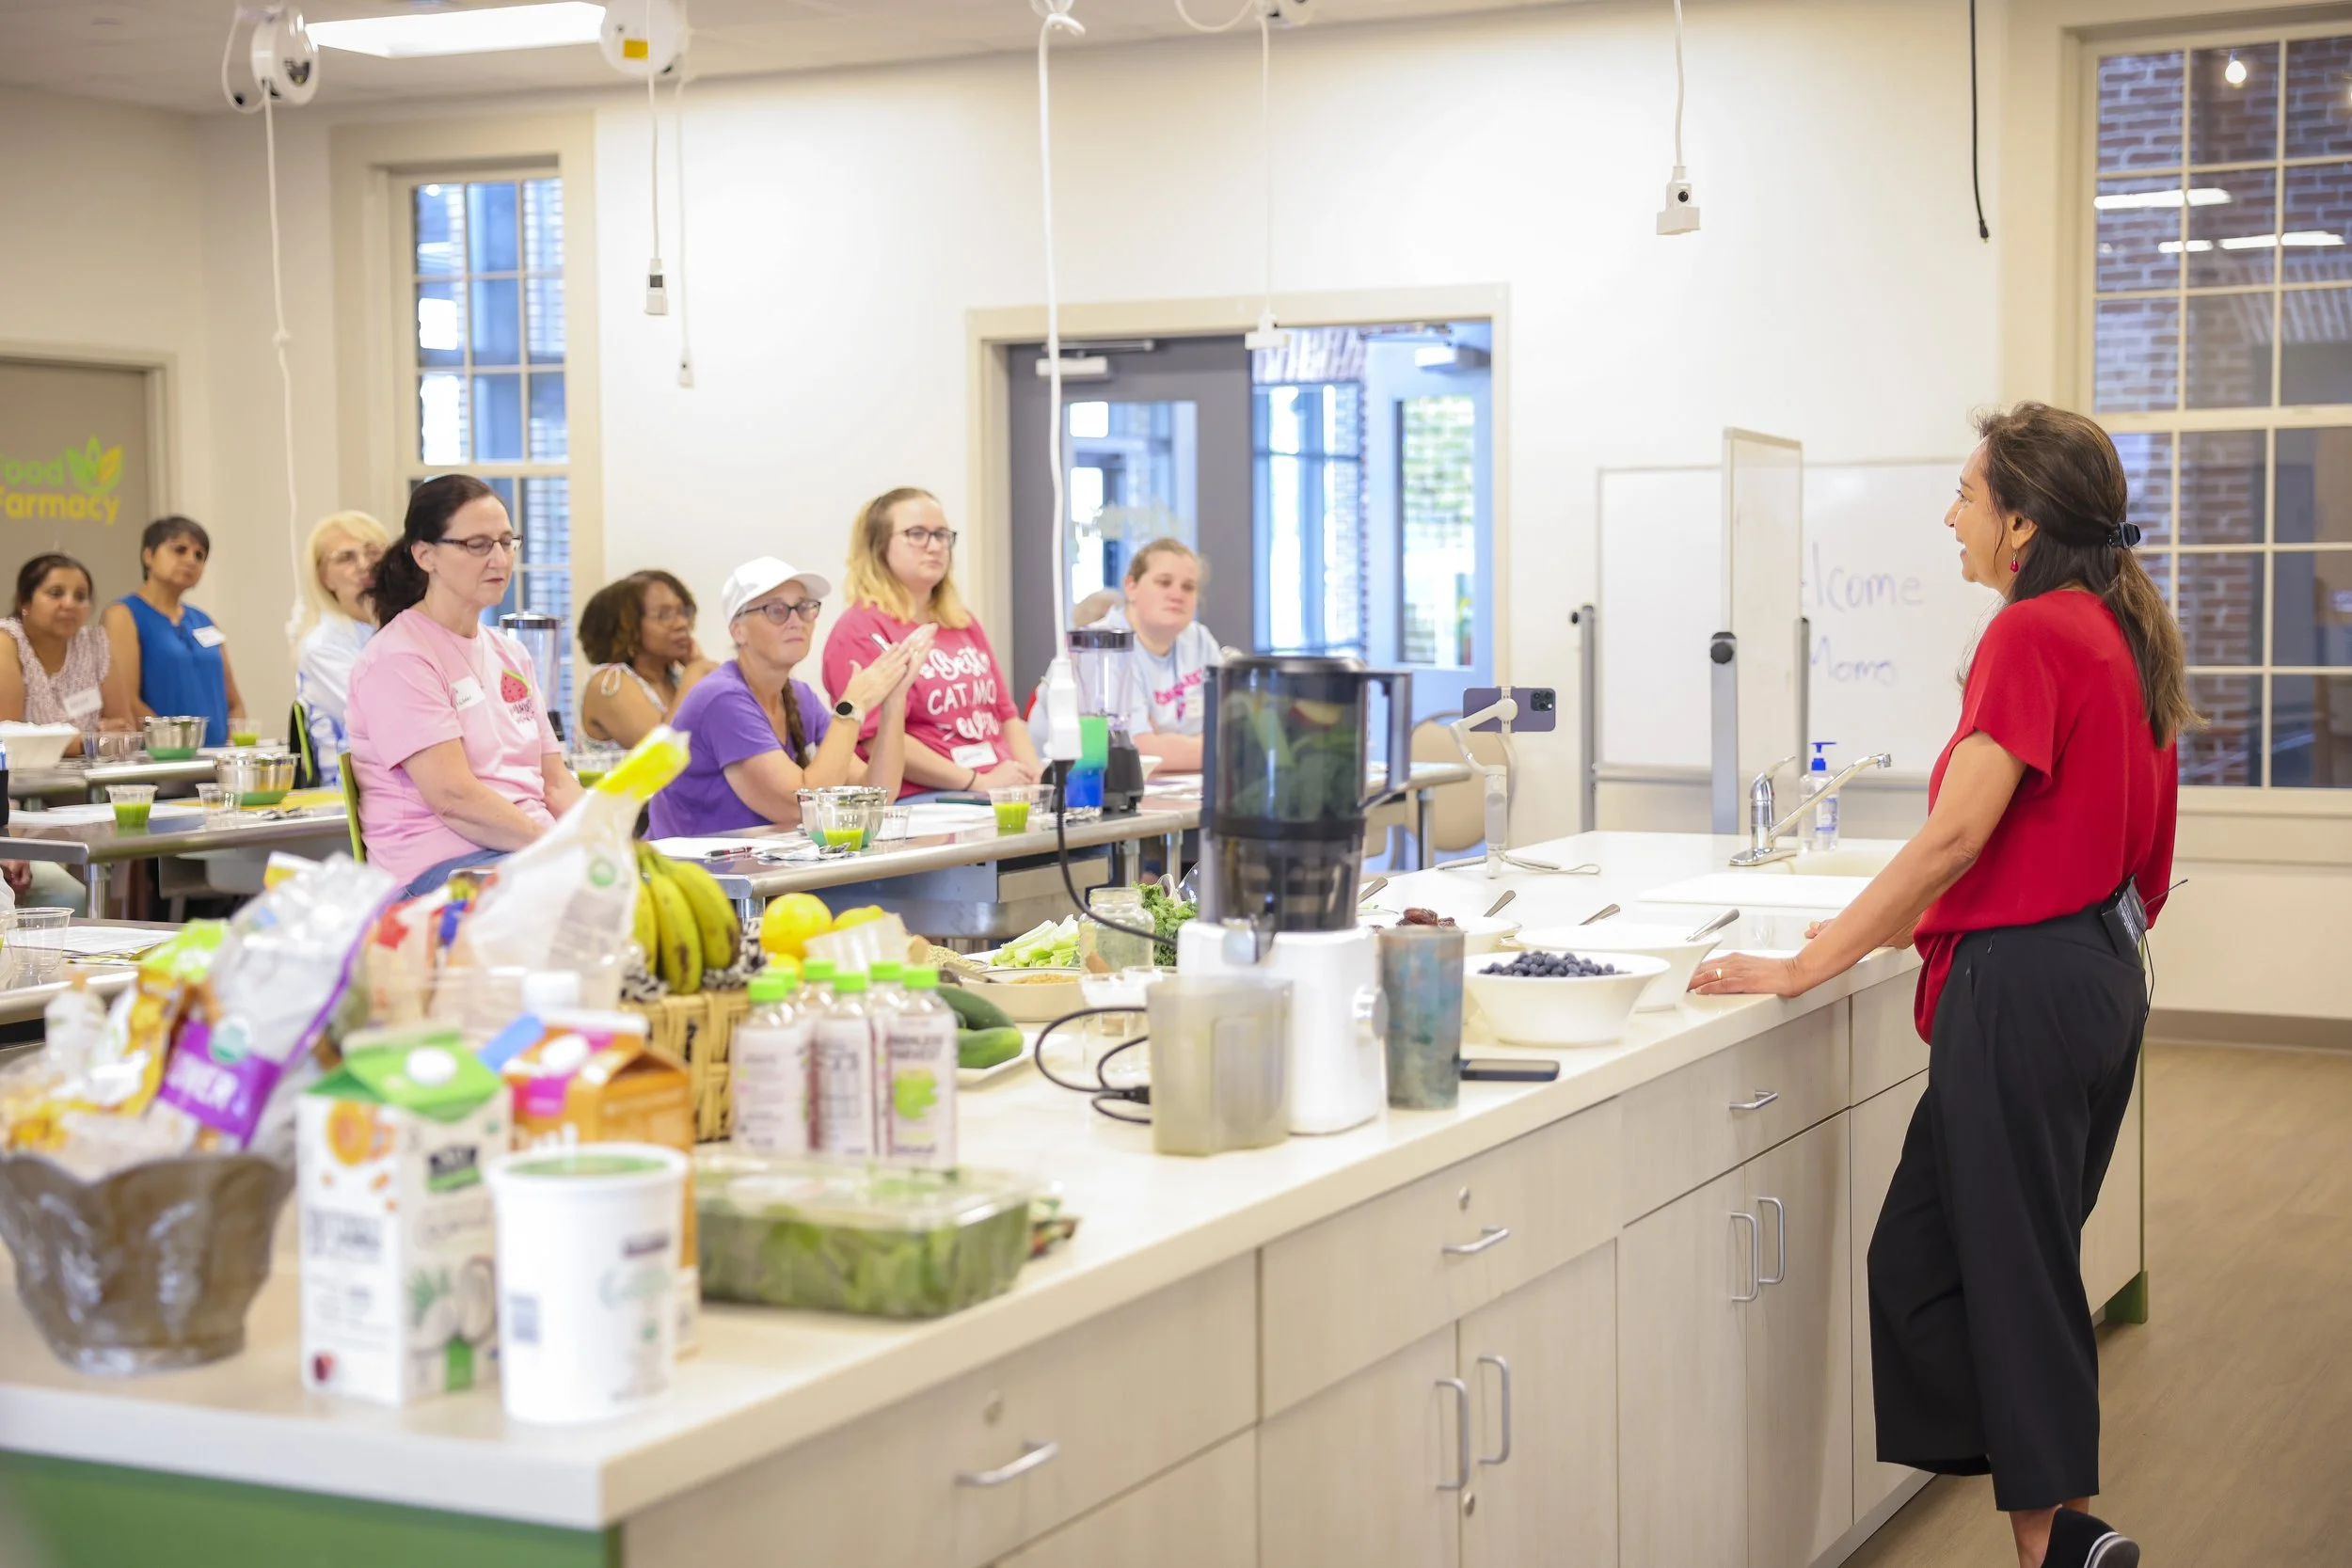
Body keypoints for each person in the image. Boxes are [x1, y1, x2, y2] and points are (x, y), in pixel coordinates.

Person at [1692, 404, 2187, 1568]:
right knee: (1922, 1254)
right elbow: (2143, 844)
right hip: (2096, 967)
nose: (1949, 514)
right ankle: (2061, 1530)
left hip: (2029, 981)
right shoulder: (2118, 629)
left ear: (2019, 523)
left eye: (1966, 494)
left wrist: (1814, 956)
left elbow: (1952, 837)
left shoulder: (2032, 632)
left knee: (2010, 1262)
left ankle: (2054, 1543)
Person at [346, 475, 581, 896]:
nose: (499, 559)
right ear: (425, 555)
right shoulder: (400, 658)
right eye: (478, 545)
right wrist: (557, 848)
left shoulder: (512, 654)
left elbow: (556, 783)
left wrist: (606, 840)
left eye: (507, 542)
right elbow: (454, 798)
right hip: (439, 872)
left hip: (522, 854)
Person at [649, 558, 928, 839]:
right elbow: (798, 807)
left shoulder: (799, 696)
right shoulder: (722, 699)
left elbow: (876, 797)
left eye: (805, 607)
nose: (796, 621)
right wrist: (851, 705)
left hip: (756, 871)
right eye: (777, 610)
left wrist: (895, 698)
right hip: (693, 875)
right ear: (738, 630)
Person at [821, 487, 1042, 799]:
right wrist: (974, 782)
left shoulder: (960, 620)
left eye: (941, 535)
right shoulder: (860, 628)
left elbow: (1006, 716)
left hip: (999, 784)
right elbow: (875, 737)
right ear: (878, 545)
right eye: (917, 534)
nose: (935, 546)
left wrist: (1037, 777)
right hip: (932, 795)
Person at [103, 516, 246, 747]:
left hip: (215, 761)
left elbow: (235, 703)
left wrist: (232, 750)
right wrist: (176, 742)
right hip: (162, 762)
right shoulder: (124, 614)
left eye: (200, 555)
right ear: (148, 556)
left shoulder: (204, 620)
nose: (191, 560)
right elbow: (126, 700)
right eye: (179, 550)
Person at [1098, 537, 1219, 771]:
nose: (1177, 595)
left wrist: (1163, 742)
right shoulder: (1103, 645)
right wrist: (1212, 746)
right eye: (1164, 583)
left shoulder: (1199, 640)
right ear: (1130, 587)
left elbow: (1234, 730)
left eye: (1188, 587)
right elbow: (1138, 752)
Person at [291, 511, 390, 783]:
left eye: (373, 552)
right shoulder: (321, 647)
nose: (364, 566)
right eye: (346, 557)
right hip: (351, 804)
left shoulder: (400, 630)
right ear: (325, 578)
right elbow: (383, 718)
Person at [0, 553, 133, 752]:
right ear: (24, 603)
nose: (70, 604)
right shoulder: (8, 642)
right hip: (24, 780)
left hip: (93, 778)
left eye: (80, 596)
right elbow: (8, 739)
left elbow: (124, 730)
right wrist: (88, 741)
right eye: (55, 593)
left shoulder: (95, 643)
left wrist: (92, 741)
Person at [575, 570, 719, 749]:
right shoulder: (609, 682)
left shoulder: (675, 679)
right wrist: (696, 670)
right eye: (664, 615)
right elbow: (663, 753)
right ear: (627, 627)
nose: (682, 623)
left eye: (683, 612)